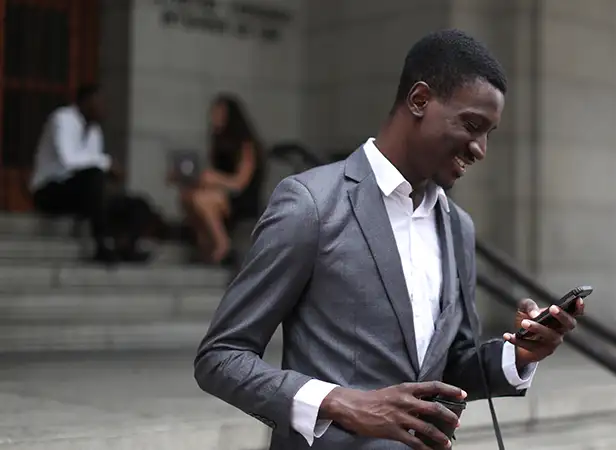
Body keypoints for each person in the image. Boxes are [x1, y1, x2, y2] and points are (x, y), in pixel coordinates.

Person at [194, 29, 584, 450]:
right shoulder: (310, 204)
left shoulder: (458, 227)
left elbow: (450, 366)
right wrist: (339, 403)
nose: (481, 149)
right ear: (419, 100)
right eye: (473, 125)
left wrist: (521, 355)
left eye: (490, 133)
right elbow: (221, 357)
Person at [30, 83, 147, 264]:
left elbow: (92, 165)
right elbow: (68, 160)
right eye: (100, 102)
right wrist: (107, 163)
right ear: (86, 102)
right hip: (50, 191)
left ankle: (127, 247)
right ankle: (100, 245)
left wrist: (106, 170)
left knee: (138, 204)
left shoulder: (94, 131)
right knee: (94, 177)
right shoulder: (62, 119)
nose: (104, 108)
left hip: (80, 193)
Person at [176, 94, 263, 265]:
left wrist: (215, 179)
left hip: (242, 198)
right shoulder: (218, 141)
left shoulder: (246, 145)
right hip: (223, 194)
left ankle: (223, 244)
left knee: (201, 199)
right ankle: (205, 243)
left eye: (219, 113)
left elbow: (240, 182)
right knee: (187, 196)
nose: (214, 118)